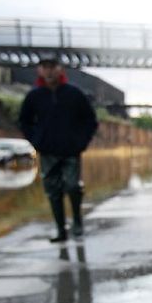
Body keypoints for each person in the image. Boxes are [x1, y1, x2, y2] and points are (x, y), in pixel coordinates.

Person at [19, 54, 98, 242]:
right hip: (47, 151)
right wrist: (37, 141)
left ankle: (77, 222)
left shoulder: (73, 94)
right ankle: (61, 230)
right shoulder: (34, 96)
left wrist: (80, 142)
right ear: (39, 70)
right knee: (53, 191)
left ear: (60, 69)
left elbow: (90, 120)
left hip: (70, 149)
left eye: (52, 66)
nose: (48, 71)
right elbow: (25, 121)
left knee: (72, 185)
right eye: (44, 67)